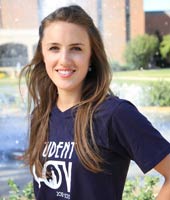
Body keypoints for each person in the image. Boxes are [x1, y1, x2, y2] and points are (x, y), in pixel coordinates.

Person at [20, 5, 170, 200]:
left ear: (91, 56)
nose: (64, 60)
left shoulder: (114, 114)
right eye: (54, 48)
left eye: (76, 48)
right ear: (43, 55)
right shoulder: (40, 115)